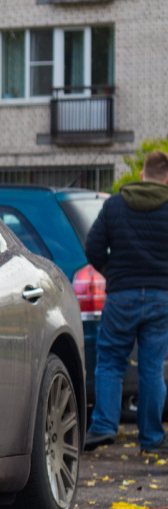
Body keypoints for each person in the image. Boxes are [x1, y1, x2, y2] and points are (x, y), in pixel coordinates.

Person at [84, 150, 168, 453]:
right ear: (166, 178)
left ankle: (104, 427)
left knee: (109, 362)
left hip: (121, 297)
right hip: (161, 298)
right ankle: (152, 438)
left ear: (142, 174)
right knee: (152, 367)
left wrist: (113, 273)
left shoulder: (114, 205)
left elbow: (92, 247)